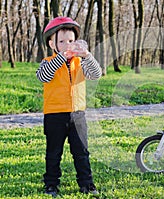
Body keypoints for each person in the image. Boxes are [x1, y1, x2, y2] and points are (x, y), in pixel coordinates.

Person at [36, 16, 101, 197]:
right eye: (62, 41)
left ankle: (86, 184)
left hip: (78, 114)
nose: (67, 45)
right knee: (53, 153)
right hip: (54, 115)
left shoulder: (81, 62)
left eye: (71, 41)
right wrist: (60, 58)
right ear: (52, 44)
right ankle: (51, 184)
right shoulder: (47, 62)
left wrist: (87, 55)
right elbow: (43, 77)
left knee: (81, 152)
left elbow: (96, 74)